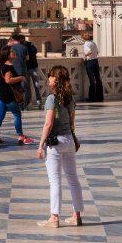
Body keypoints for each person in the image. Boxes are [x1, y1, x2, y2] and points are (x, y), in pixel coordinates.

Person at [36, 65, 84, 228]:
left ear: (56, 79)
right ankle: (76, 215)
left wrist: (40, 144)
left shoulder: (52, 99)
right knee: (73, 179)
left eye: (50, 76)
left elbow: (48, 123)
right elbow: (72, 124)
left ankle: (54, 217)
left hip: (55, 143)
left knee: (55, 181)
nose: (48, 78)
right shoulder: (70, 98)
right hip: (69, 140)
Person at [0, 46, 33, 146]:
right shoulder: (9, 67)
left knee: (0, 116)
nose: (14, 52)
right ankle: (21, 136)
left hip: (0, 95)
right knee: (16, 114)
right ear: (7, 55)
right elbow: (8, 80)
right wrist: (21, 78)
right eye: (11, 51)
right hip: (9, 96)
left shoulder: (1, 65)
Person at [81, 32, 103, 103]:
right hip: (95, 61)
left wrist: (85, 55)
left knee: (92, 80)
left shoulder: (86, 44)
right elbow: (97, 52)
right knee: (98, 79)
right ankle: (99, 97)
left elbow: (89, 51)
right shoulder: (93, 43)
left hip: (90, 62)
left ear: (83, 38)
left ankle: (92, 98)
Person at [24, 38, 43, 108]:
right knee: (36, 86)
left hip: (28, 69)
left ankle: (29, 102)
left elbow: (26, 58)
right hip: (34, 68)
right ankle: (38, 102)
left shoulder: (25, 48)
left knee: (28, 87)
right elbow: (35, 52)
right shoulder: (32, 47)